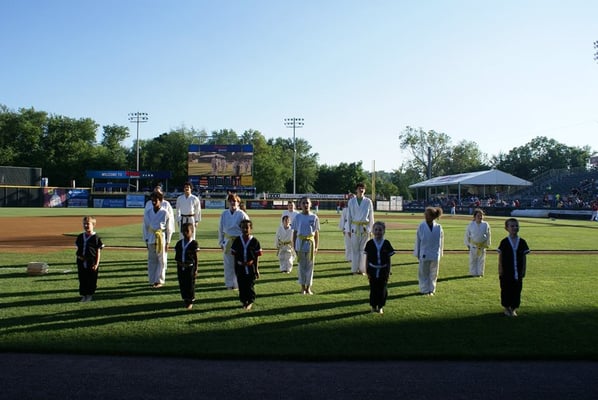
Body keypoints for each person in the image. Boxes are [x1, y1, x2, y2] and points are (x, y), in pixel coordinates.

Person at [497, 218, 530, 317]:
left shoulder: (522, 242)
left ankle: (514, 308)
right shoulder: (504, 242)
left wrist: (524, 269)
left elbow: (524, 257)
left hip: (518, 271)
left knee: (517, 289)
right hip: (507, 271)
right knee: (506, 289)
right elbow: (500, 257)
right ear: (506, 228)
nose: (515, 228)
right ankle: (506, 308)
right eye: (512, 226)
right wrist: (500, 268)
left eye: (516, 226)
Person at [143, 190, 175, 288]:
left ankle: (160, 280)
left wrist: (168, 242)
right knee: (152, 260)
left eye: (155, 200)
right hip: (151, 237)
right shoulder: (148, 212)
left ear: (160, 201)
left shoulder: (165, 213)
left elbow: (169, 228)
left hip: (161, 238)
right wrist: (146, 240)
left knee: (162, 260)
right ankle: (152, 280)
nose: (153, 202)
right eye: (152, 200)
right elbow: (145, 227)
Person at [218, 193, 250, 290]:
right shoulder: (224, 214)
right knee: (228, 264)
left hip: (239, 241)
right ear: (228, 202)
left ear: (238, 202)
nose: (233, 203)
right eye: (231, 201)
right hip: (227, 241)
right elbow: (220, 229)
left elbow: (248, 230)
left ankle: (237, 284)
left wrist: (246, 243)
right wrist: (221, 242)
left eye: (235, 201)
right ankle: (229, 284)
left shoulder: (242, 215)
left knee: (239, 263)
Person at [364, 221, 396, 314]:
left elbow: (389, 260)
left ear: (384, 231)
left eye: (380, 230)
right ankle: (373, 306)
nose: (378, 232)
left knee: (382, 289)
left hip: (383, 270)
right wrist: (367, 271)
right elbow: (367, 259)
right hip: (372, 270)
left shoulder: (386, 243)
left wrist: (388, 271)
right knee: (373, 289)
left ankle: (380, 306)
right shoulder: (369, 243)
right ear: (373, 231)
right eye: (376, 229)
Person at [231, 219, 263, 310]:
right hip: (240, 267)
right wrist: (235, 268)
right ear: (240, 228)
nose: (245, 229)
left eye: (247, 227)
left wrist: (256, 269)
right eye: (243, 227)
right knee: (241, 285)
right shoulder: (237, 240)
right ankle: (243, 301)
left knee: (250, 285)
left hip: (250, 267)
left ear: (251, 228)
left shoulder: (254, 241)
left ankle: (250, 301)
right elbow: (234, 255)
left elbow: (257, 256)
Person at [292, 196, 320, 295]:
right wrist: (294, 245)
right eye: (303, 203)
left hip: (310, 244)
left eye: (307, 203)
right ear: (300, 205)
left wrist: (316, 246)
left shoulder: (314, 217)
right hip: (300, 243)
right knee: (301, 267)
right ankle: (302, 287)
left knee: (310, 267)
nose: (305, 205)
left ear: (311, 204)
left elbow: (316, 233)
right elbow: (295, 232)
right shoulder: (297, 217)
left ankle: (308, 287)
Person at [413, 206, 444, 296]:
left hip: (435, 254)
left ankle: (432, 290)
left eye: (427, 215)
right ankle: (424, 290)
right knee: (423, 273)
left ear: (432, 216)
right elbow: (418, 240)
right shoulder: (421, 226)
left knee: (434, 274)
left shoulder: (438, 227)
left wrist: (440, 253)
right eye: (425, 214)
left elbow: (441, 242)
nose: (425, 216)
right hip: (424, 253)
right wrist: (417, 253)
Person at [345, 183, 374, 275]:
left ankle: (362, 269)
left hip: (365, 228)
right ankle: (354, 269)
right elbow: (348, 216)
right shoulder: (352, 201)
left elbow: (371, 216)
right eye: (359, 188)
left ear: (364, 190)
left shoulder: (368, 201)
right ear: (356, 190)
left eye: (363, 189)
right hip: (354, 227)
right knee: (355, 249)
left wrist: (371, 229)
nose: (361, 190)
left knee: (364, 250)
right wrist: (348, 229)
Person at [75, 216, 104, 302]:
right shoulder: (80, 236)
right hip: (81, 261)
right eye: (84, 224)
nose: (86, 225)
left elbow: (98, 252)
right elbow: (78, 249)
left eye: (88, 224)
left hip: (92, 262)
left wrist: (96, 263)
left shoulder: (96, 238)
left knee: (91, 278)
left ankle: (90, 294)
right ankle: (84, 295)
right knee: (82, 278)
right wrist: (79, 256)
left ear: (93, 225)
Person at [174, 222, 200, 310]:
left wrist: (196, 269)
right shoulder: (179, 243)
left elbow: (196, 258)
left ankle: (190, 301)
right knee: (182, 284)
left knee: (190, 284)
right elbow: (177, 256)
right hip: (181, 267)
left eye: (187, 231)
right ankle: (185, 299)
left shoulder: (194, 244)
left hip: (190, 267)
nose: (185, 233)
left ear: (192, 231)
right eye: (183, 231)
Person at [464, 208, 491, 277]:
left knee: (481, 260)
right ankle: (473, 273)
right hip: (473, 245)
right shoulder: (470, 225)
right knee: (472, 260)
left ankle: (480, 273)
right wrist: (467, 244)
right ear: (474, 217)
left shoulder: (485, 224)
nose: (480, 217)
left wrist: (488, 243)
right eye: (478, 215)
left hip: (482, 245)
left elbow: (488, 234)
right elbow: (467, 235)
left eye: (481, 215)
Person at [338, 194, 354, 262]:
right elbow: (342, 219)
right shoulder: (345, 209)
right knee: (348, 244)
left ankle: (355, 258)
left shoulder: (358, 209)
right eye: (350, 198)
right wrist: (343, 229)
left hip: (356, 227)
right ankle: (348, 258)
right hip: (347, 227)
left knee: (355, 244)